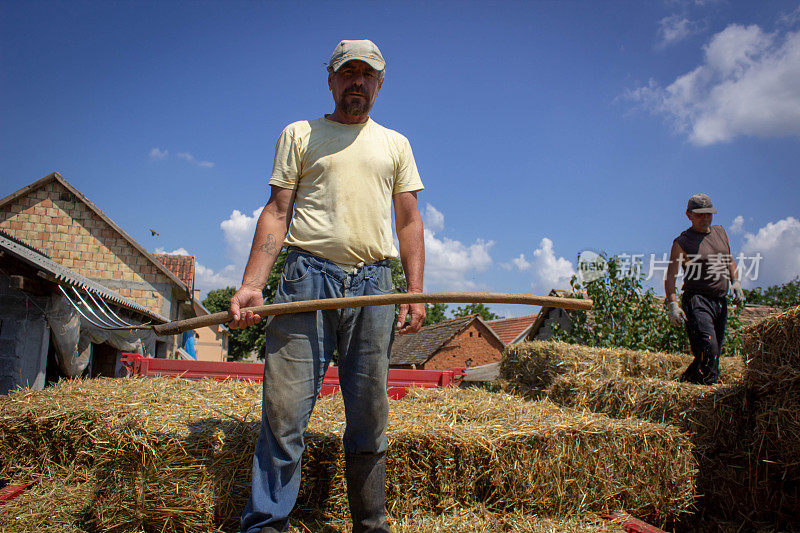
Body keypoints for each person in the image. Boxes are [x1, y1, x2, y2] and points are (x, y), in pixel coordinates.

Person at [228, 39, 426, 533]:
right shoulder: (300, 134)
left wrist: (414, 291)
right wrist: (252, 285)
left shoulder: (395, 144)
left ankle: (370, 524)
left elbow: (408, 220)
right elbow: (277, 212)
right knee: (285, 413)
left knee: (369, 414)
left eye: (368, 74)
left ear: (380, 83)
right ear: (331, 79)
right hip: (306, 279)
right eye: (348, 72)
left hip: (375, 286)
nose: (357, 81)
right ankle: (267, 524)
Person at [665, 194, 744, 385]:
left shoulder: (720, 233)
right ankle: (710, 394)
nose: (705, 219)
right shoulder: (682, 243)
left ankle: (684, 385)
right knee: (710, 348)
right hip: (697, 300)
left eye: (709, 214)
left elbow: (729, 260)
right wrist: (673, 305)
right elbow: (670, 277)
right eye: (700, 215)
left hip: (719, 301)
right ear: (689, 215)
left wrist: (736, 282)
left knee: (708, 354)